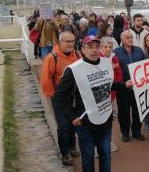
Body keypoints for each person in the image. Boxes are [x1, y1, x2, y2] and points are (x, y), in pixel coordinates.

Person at [54, 35, 133, 172]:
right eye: (90, 47)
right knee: (88, 157)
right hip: (85, 122)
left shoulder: (106, 63)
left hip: (105, 118)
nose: (94, 50)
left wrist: (124, 84)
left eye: (97, 47)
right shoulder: (74, 70)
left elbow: (107, 85)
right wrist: (72, 117)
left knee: (106, 155)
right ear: (82, 50)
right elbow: (59, 96)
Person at [40, 31, 79, 166]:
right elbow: (45, 80)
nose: (70, 44)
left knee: (73, 122)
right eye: (67, 41)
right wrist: (53, 97)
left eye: (72, 41)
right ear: (60, 42)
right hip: (59, 97)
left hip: (74, 96)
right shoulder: (52, 57)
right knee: (63, 125)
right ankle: (65, 152)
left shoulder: (77, 55)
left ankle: (73, 145)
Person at [114, 30, 146, 142]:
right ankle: (125, 133)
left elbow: (145, 66)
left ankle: (137, 131)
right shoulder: (116, 53)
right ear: (121, 39)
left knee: (138, 111)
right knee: (123, 112)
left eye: (131, 37)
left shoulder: (139, 51)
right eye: (127, 37)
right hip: (123, 88)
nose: (130, 39)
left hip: (138, 88)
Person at [100, 37, 124, 153]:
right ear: (101, 48)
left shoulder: (114, 58)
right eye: (105, 47)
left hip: (112, 94)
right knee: (99, 119)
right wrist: (110, 68)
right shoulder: (97, 58)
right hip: (100, 95)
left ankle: (108, 141)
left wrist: (114, 92)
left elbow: (118, 76)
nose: (108, 49)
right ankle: (97, 145)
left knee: (109, 119)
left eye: (110, 47)